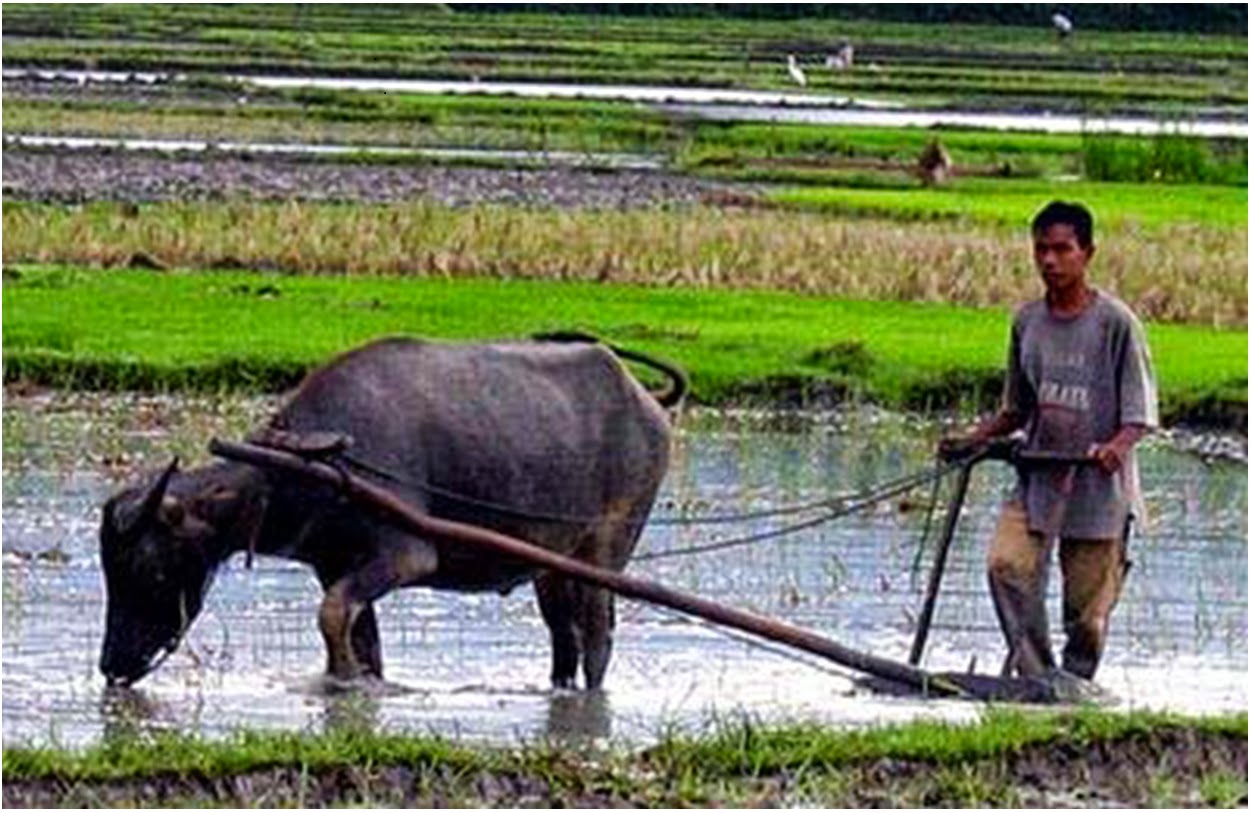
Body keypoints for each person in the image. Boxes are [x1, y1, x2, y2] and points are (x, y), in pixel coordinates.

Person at [941, 200, 1157, 684]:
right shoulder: (1027, 322)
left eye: (1062, 249)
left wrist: (1113, 448)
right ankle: (1038, 678)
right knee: (1006, 567)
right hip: (1038, 475)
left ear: (1087, 253)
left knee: (1086, 615)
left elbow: (1139, 416)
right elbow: (1016, 409)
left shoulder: (1115, 324)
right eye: (1041, 250)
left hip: (1097, 487)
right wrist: (970, 441)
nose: (1050, 261)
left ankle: (1076, 685)